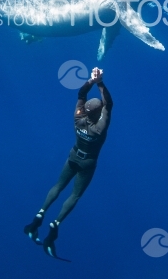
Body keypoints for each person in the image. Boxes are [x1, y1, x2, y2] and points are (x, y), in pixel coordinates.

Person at [24, 66, 113, 261]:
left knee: (58, 185)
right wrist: (100, 83)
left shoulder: (78, 117)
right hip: (87, 163)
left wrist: (91, 81)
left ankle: (40, 214)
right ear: (98, 113)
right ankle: (55, 224)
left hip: (73, 157)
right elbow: (109, 104)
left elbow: (81, 94)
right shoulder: (100, 128)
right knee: (75, 194)